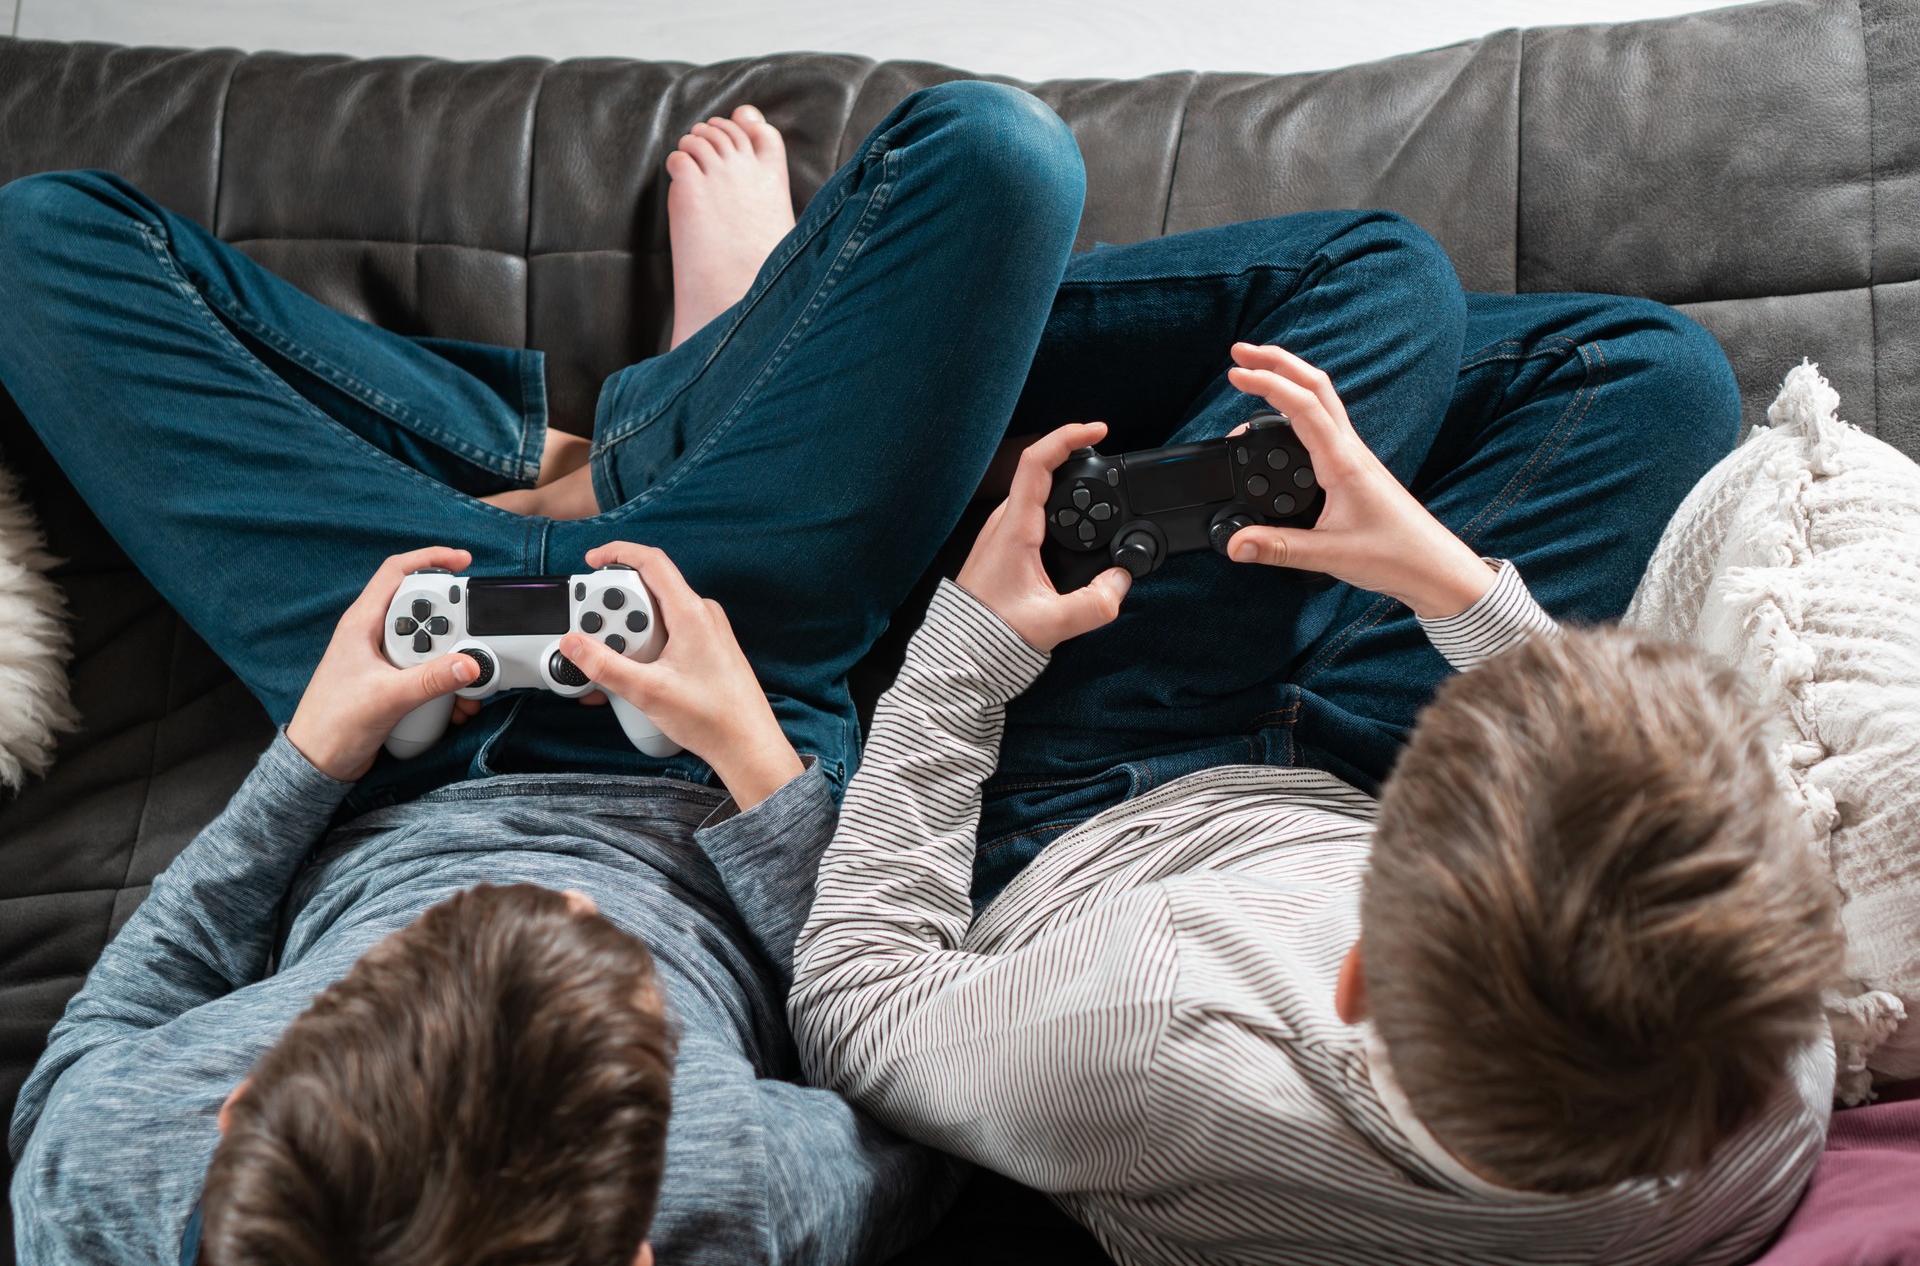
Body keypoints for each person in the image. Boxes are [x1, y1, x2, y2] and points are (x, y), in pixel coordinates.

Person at [1, 81, 1092, 1265]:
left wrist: (313, 752)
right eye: (596, 949)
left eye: (404, 973)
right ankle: (677, 405)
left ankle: (608, 448)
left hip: (381, 721)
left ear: (234, 1116)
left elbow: (109, 1030)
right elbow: (919, 1087)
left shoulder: (107, 1188)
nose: (532, 892)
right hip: (711, 706)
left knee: (33, 242)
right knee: (1001, 154)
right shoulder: (733, 1202)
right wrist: (755, 757)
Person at [786, 230, 1848, 1258]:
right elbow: (1603, 767)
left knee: (1385, 280)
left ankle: (817, 379)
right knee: (1656, 378)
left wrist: (966, 653)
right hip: (1358, 787)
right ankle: (987, 430)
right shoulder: (1761, 1062)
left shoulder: (1158, 1033)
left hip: (1086, 815)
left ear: (1356, 981)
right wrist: (1435, 569)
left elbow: (855, 1003)